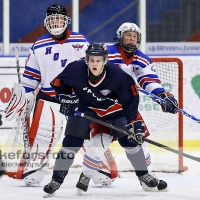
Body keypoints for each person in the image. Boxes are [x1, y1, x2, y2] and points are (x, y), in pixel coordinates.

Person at [43, 42, 164, 197]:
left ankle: (143, 174)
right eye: (92, 60)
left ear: (105, 61)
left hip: (114, 112)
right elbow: (58, 84)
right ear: (86, 60)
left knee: (130, 141)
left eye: (98, 60)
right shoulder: (75, 70)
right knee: (70, 142)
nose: (95, 63)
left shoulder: (119, 77)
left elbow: (130, 101)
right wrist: (65, 98)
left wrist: (135, 123)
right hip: (84, 109)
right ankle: (56, 180)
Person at [75, 22, 178, 193]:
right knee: (100, 141)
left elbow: (149, 80)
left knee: (138, 142)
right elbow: (81, 67)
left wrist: (161, 95)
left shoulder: (141, 58)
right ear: (120, 36)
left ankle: (146, 177)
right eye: (128, 35)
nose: (132, 39)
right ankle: (85, 175)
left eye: (135, 36)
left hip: (126, 107)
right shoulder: (105, 51)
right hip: (101, 106)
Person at [3, 4, 90, 186]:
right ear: (47, 22)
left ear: (66, 21)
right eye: (52, 19)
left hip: (78, 100)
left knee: (88, 138)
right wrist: (25, 98)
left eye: (59, 18)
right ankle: (36, 168)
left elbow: (94, 70)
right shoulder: (39, 45)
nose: (56, 22)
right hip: (50, 99)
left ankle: (98, 169)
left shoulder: (81, 41)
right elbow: (30, 80)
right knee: (43, 137)